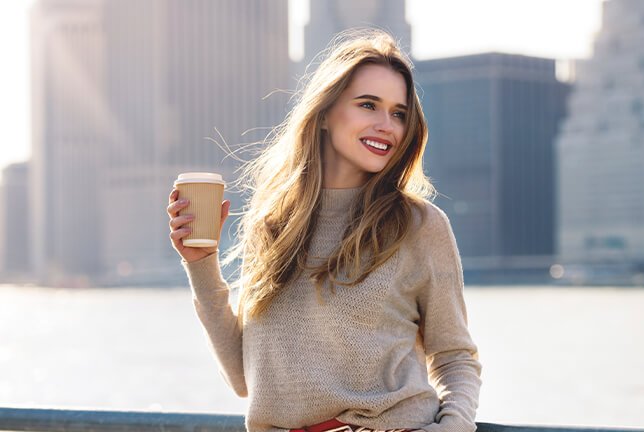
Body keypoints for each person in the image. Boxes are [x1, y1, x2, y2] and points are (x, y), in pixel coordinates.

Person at [166, 29, 481, 432]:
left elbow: (454, 356)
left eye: (399, 113)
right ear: (326, 114)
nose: (387, 125)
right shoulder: (275, 222)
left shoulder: (419, 225)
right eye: (369, 105)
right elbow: (244, 379)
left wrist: (450, 429)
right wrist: (201, 264)